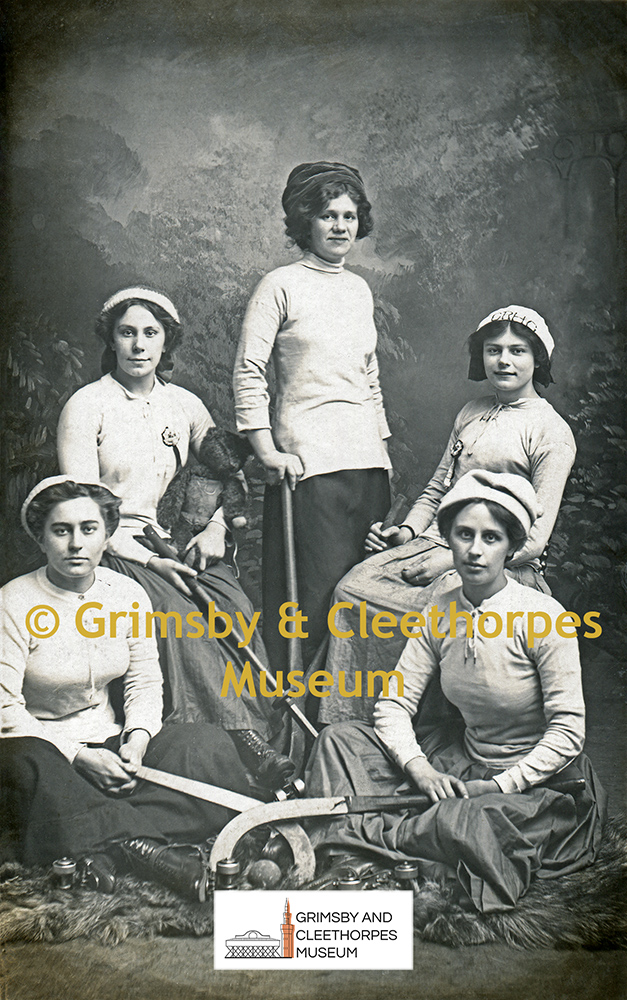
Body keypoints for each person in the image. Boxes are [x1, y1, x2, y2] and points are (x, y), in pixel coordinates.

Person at [305, 470, 607, 913]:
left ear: (512, 546)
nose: (475, 550)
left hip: (533, 781)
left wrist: (501, 784)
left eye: (491, 537)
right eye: (464, 534)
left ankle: (365, 843)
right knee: (339, 742)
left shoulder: (544, 617)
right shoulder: (440, 611)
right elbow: (393, 703)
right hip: (460, 760)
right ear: (448, 540)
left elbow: (568, 731)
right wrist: (421, 770)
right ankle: (363, 853)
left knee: (463, 823)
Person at [56, 287, 293, 788]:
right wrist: (149, 560)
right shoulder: (87, 406)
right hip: (114, 547)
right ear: (111, 340)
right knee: (179, 615)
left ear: (167, 342)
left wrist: (215, 527)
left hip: (176, 538)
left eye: (150, 333)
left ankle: (258, 734)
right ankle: (241, 742)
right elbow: (81, 510)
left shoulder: (184, 405)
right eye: (127, 333)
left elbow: (228, 473)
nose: (139, 345)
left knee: (233, 606)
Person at [0, 477, 259, 899]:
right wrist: (80, 757)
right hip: (42, 748)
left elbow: (144, 680)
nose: (76, 544)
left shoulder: (126, 594)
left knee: (205, 747)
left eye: (89, 529)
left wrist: (135, 742)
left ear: (106, 535)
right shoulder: (13, 601)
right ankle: (142, 848)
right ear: (41, 537)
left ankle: (92, 835)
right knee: (25, 762)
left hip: (112, 741)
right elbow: (4, 708)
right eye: (61, 531)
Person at [319, 305, 577, 725]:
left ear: (538, 360)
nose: (504, 361)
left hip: (501, 561)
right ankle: (352, 725)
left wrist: (454, 557)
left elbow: (536, 538)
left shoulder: (551, 432)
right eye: (494, 350)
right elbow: (439, 487)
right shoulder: (470, 412)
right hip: (436, 541)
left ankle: (421, 734)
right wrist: (406, 531)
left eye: (517, 351)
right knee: (353, 590)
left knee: (430, 613)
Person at [233, 161, 391, 675]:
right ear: (307, 221)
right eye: (328, 215)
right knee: (313, 603)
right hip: (308, 466)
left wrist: (382, 449)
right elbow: (249, 370)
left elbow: (369, 378)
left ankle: (352, 721)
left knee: (366, 598)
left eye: (349, 215)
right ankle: (298, 725)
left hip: (366, 463)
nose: (341, 226)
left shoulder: (359, 289)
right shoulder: (279, 285)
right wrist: (265, 449)